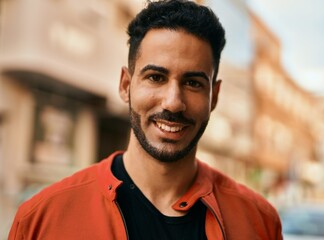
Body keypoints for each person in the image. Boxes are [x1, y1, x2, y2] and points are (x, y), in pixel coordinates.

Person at [8, 0, 283, 239]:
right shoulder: (41, 219)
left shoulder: (258, 222)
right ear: (126, 85)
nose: (173, 101)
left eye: (193, 83)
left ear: (214, 96)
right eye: (155, 77)